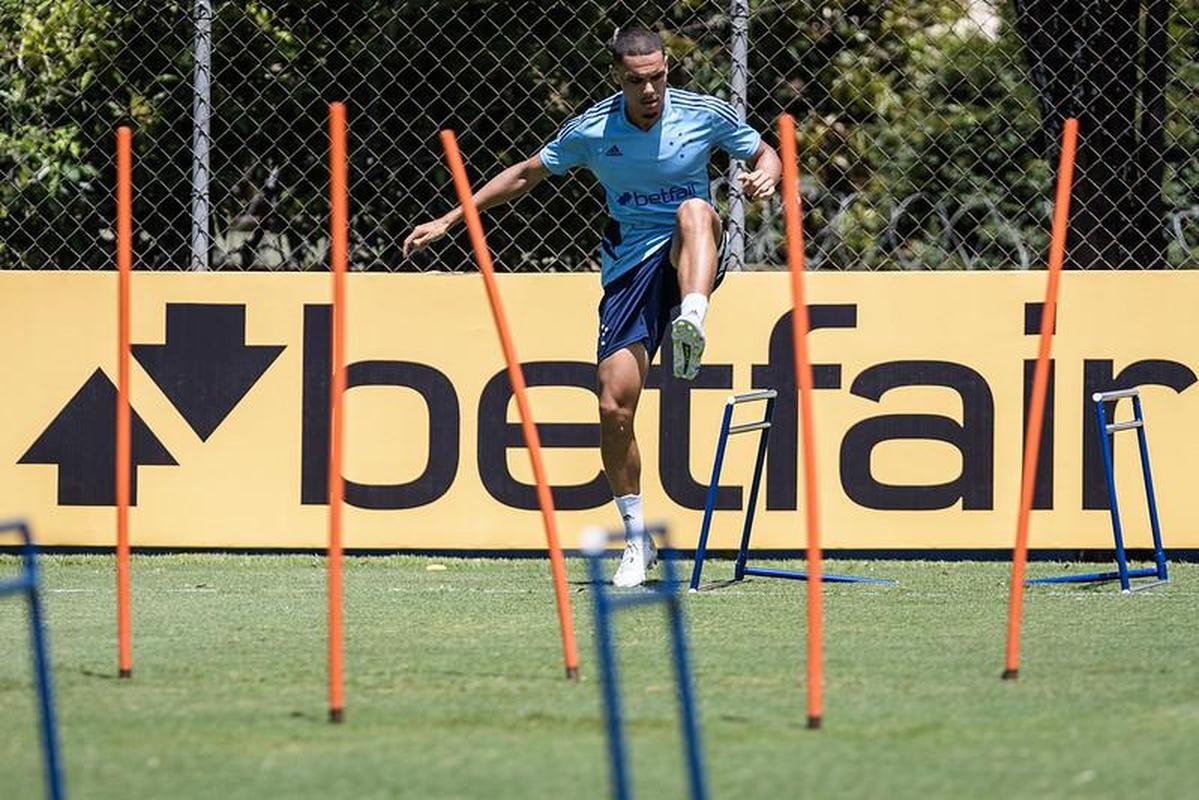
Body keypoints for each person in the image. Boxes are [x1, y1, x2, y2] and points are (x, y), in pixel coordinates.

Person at [403, 25, 781, 586]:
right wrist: (452, 218)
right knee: (612, 405)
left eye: (656, 78)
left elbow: (764, 151)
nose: (649, 91)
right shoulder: (593, 129)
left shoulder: (703, 114)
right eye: (636, 81)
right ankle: (637, 542)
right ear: (617, 78)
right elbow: (527, 173)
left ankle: (692, 318)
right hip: (629, 269)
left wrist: (766, 177)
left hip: (689, 255)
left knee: (696, 211)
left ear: (667, 71)